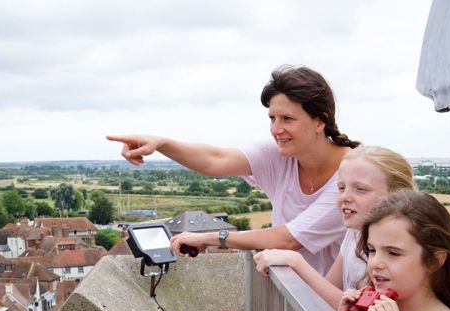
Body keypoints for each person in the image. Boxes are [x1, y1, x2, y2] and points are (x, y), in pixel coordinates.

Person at [107, 65, 360, 274]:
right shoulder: (281, 155)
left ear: (320, 121)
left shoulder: (353, 175)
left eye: (288, 119)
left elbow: (288, 239)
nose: (276, 129)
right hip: (300, 301)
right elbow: (215, 160)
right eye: (273, 118)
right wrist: (161, 143)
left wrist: (209, 238)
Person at [252, 145, 413, 308]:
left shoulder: (398, 248)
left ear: (396, 194)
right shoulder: (354, 233)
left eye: (361, 189)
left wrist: (296, 262)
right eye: (341, 188)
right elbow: (327, 290)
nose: (345, 197)